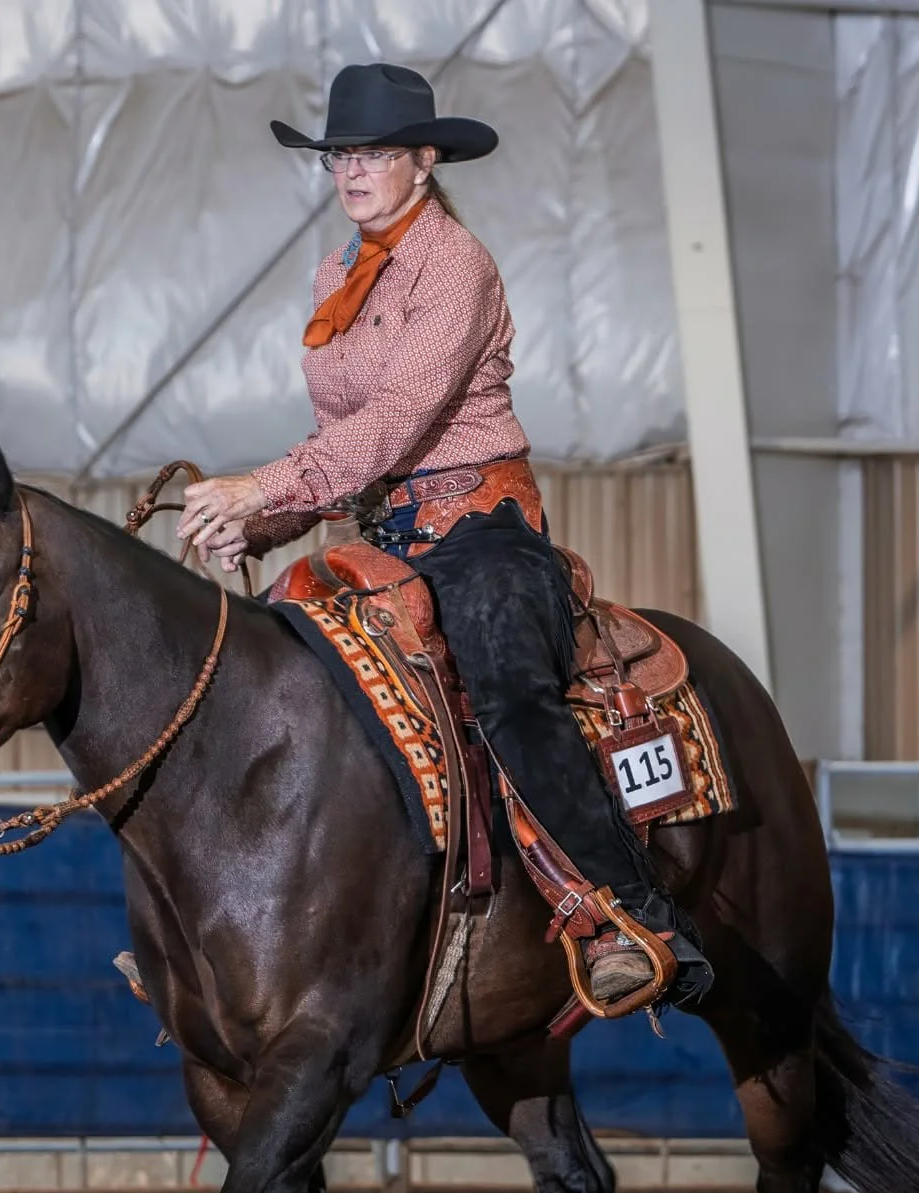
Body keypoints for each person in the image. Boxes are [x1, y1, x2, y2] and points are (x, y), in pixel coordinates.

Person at [177, 63, 710, 1010]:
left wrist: (260, 482)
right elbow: (352, 450)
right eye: (341, 153)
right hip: (384, 536)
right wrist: (258, 520)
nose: (352, 170)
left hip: (481, 531)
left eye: (375, 152)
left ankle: (631, 913)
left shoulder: (454, 261)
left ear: (424, 162)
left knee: (508, 690)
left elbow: (395, 420)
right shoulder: (337, 274)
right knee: (273, 678)